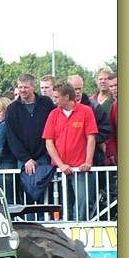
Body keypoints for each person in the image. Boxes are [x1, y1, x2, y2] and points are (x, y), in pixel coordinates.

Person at [43, 81, 99, 221]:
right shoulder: (53, 114)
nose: (54, 100)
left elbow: (91, 138)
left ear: (67, 97)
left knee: (83, 201)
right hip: (60, 169)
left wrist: (88, 162)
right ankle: (66, 229)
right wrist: (60, 164)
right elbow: (49, 142)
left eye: (57, 97)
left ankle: (79, 228)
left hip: (80, 168)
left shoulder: (86, 111)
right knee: (63, 204)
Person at [4, 73, 56, 202]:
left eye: (25, 87)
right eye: (20, 87)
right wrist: (26, 159)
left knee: (45, 191)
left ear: (33, 87)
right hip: (23, 159)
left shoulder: (46, 103)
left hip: (44, 155)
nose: (22, 90)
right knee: (27, 191)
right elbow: (12, 138)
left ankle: (46, 214)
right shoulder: (12, 109)